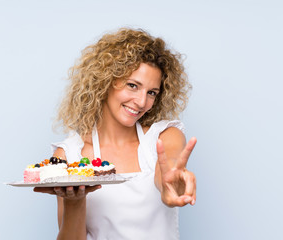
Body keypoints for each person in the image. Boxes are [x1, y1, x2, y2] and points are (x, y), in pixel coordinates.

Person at [34, 28, 197, 240]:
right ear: (105, 81)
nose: (141, 102)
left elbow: (168, 168)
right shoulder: (70, 156)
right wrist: (75, 201)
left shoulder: (163, 137)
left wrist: (172, 181)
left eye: (151, 93)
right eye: (132, 85)